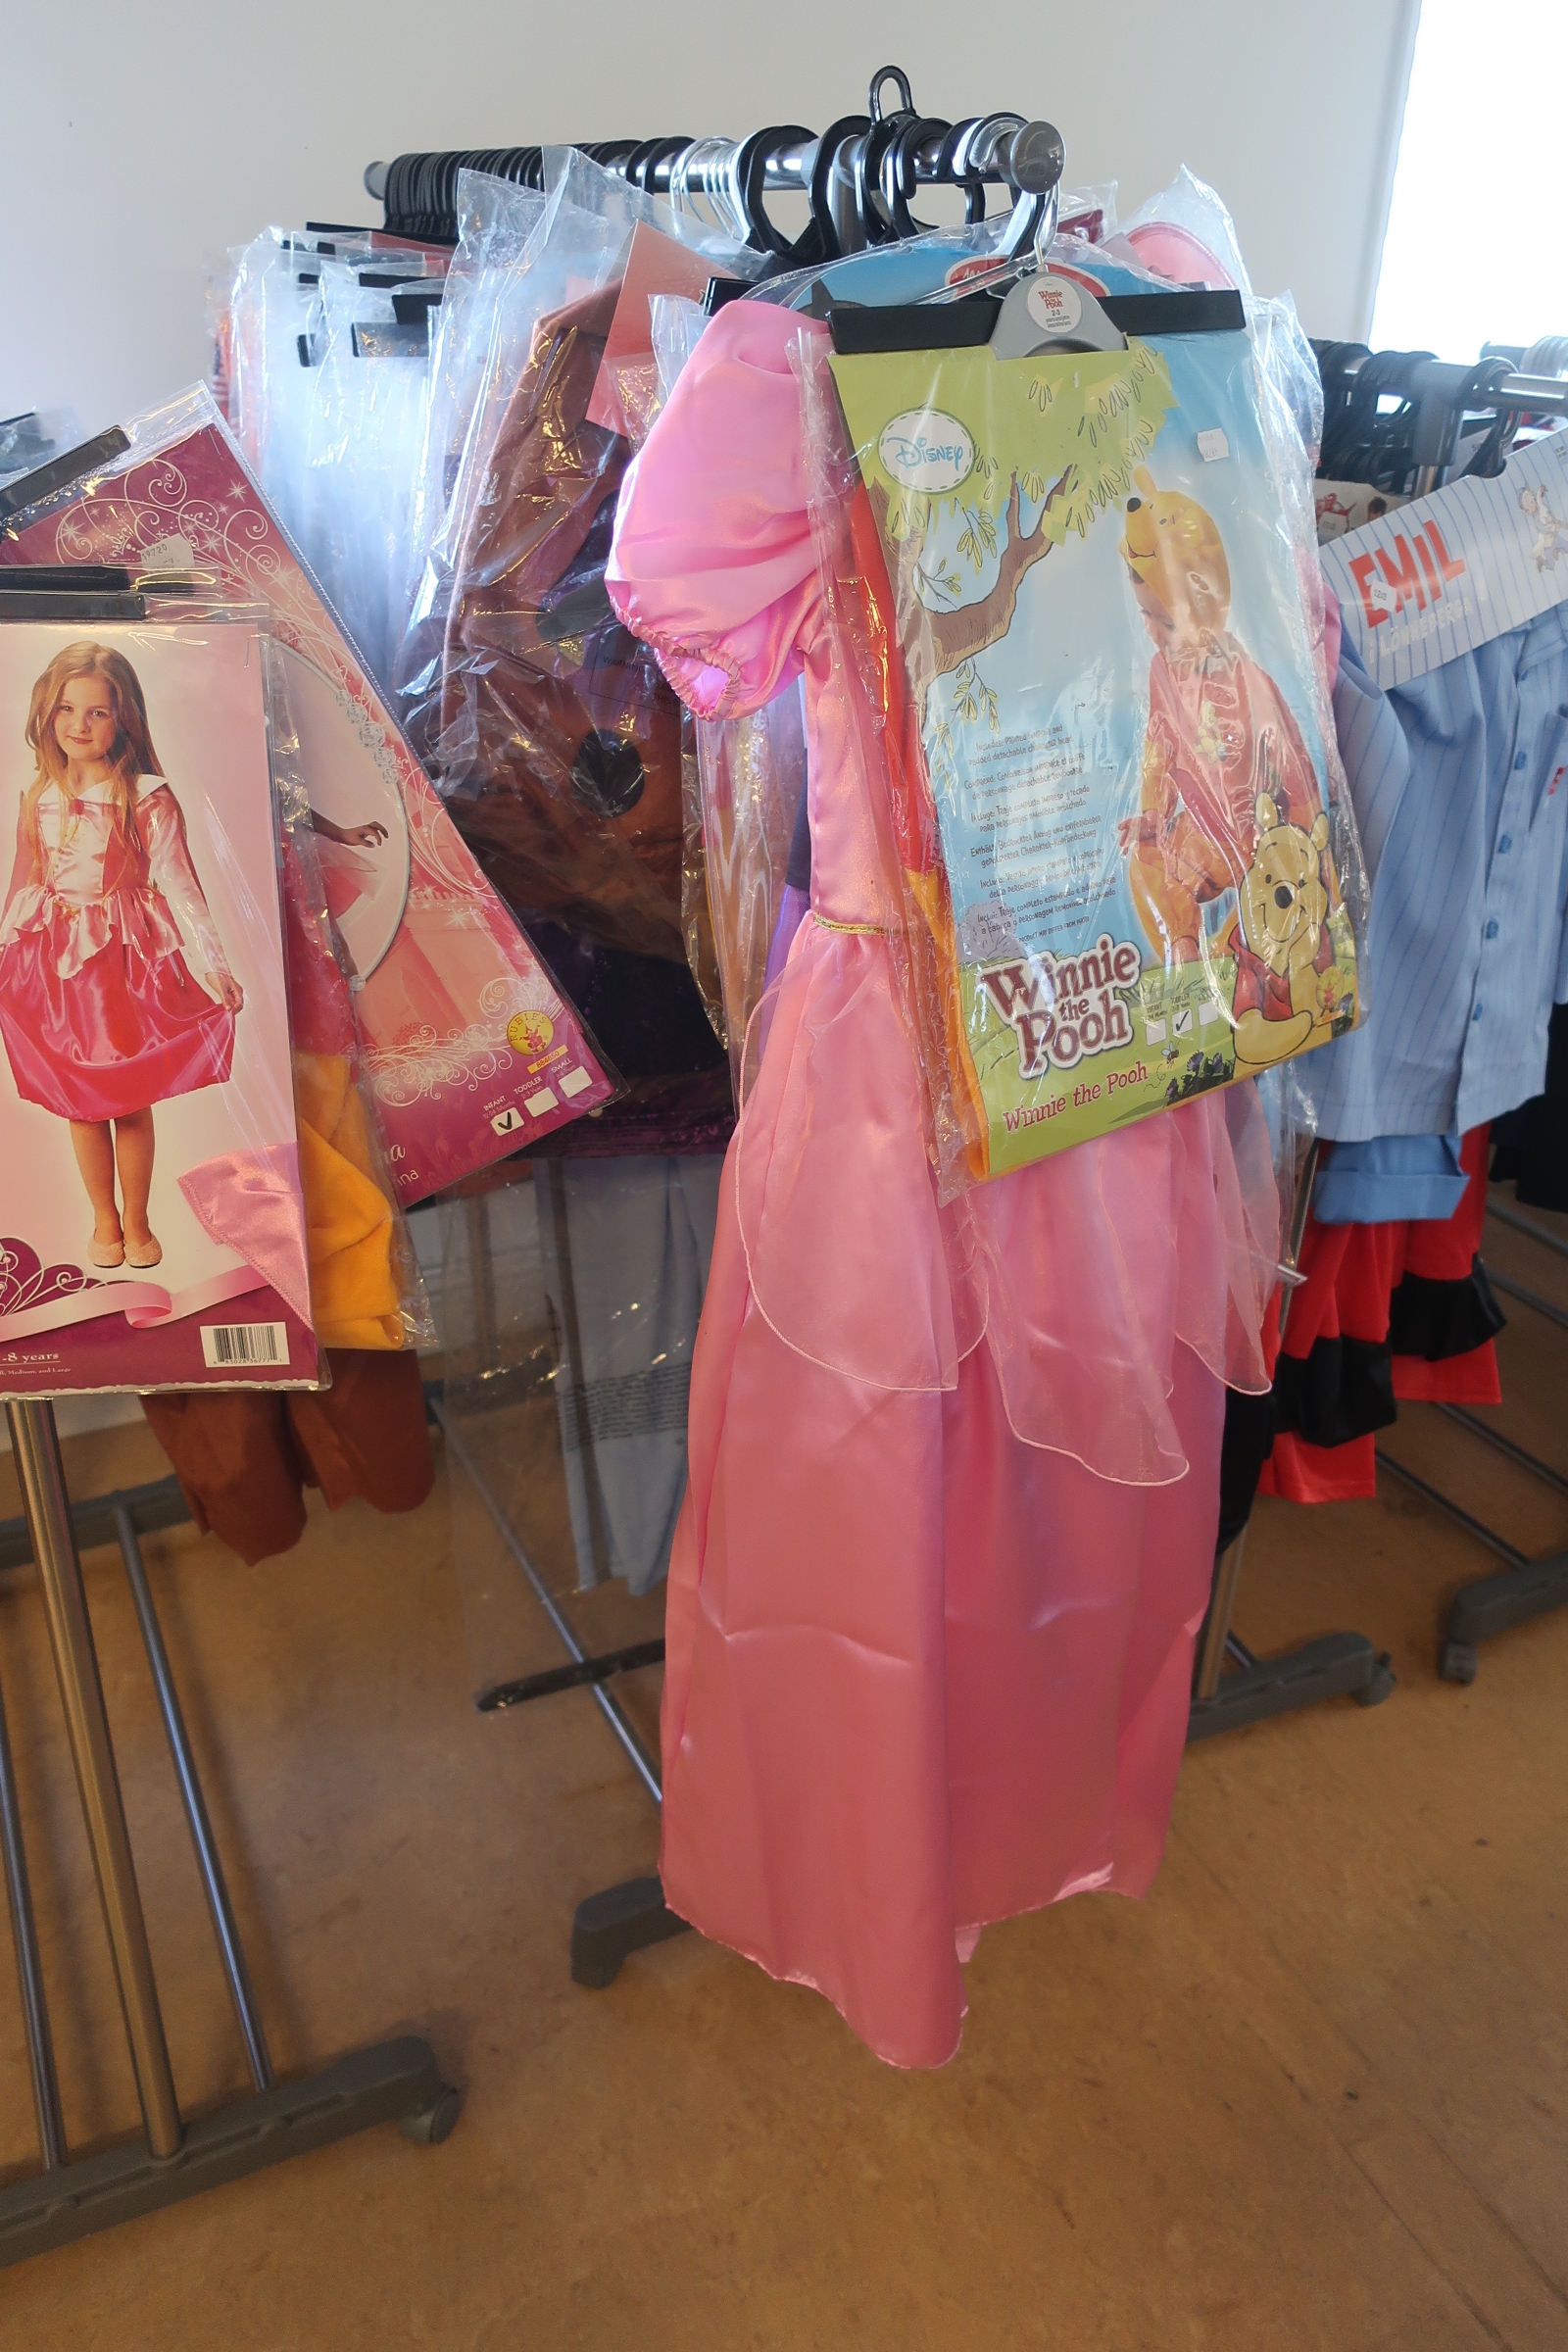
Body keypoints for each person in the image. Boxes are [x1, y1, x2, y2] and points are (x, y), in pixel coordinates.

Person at [0, 641, 243, 1270]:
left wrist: (214, 963)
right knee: (79, 1099)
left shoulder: (145, 795)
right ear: (47, 714)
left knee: (128, 1097)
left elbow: (181, 882)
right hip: (54, 963)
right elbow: (24, 877)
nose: (79, 725)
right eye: (66, 709)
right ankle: (103, 1219)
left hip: (121, 963)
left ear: (123, 718)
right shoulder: (39, 793)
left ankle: (137, 1220)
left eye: (97, 712)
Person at [1114, 468, 1324, 964]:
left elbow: (1290, 769)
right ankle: (1183, 946)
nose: (1153, 633)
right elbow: (1159, 748)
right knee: (1143, 859)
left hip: (1260, 833)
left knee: (1271, 884)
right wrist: (1153, 815)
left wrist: (1288, 833)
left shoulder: (1245, 677)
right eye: (1145, 616)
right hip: (1201, 835)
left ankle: (1240, 946)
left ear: (1209, 608)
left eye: (1167, 621)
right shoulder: (1162, 672)